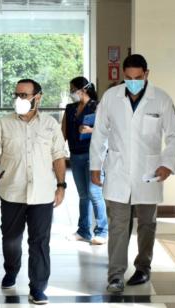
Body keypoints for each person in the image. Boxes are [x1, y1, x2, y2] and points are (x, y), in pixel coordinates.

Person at [90, 54, 175, 293]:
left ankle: (143, 267)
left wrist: (167, 163)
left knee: (147, 224)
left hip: (149, 172)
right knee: (119, 225)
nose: (133, 82)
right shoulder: (111, 97)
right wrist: (95, 166)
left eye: (138, 77)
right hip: (118, 171)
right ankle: (116, 275)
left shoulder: (160, 99)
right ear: (123, 75)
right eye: (128, 78)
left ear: (146, 74)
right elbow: (99, 133)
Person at [0, 79, 66, 305]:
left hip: (42, 194)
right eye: (17, 95)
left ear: (38, 97)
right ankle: (11, 269)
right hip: (12, 192)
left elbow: (58, 156)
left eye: (24, 95)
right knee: (11, 240)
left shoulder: (50, 124)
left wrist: (61, 185)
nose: (19, 99)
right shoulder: (3, 124)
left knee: (39, 242)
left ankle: (38, 287)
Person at [61, 77, 108, 245]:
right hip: (75, 154)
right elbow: (64, 130)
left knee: (94, 193)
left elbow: (107, 129)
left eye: (74, 89)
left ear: (84, 89)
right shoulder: (70, 108)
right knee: (83, 195)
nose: (72, 93)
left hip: (93, 155)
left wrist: (91, 130)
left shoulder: (97, 106)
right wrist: (59, 150)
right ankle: (83, 231)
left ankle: (102, 231)